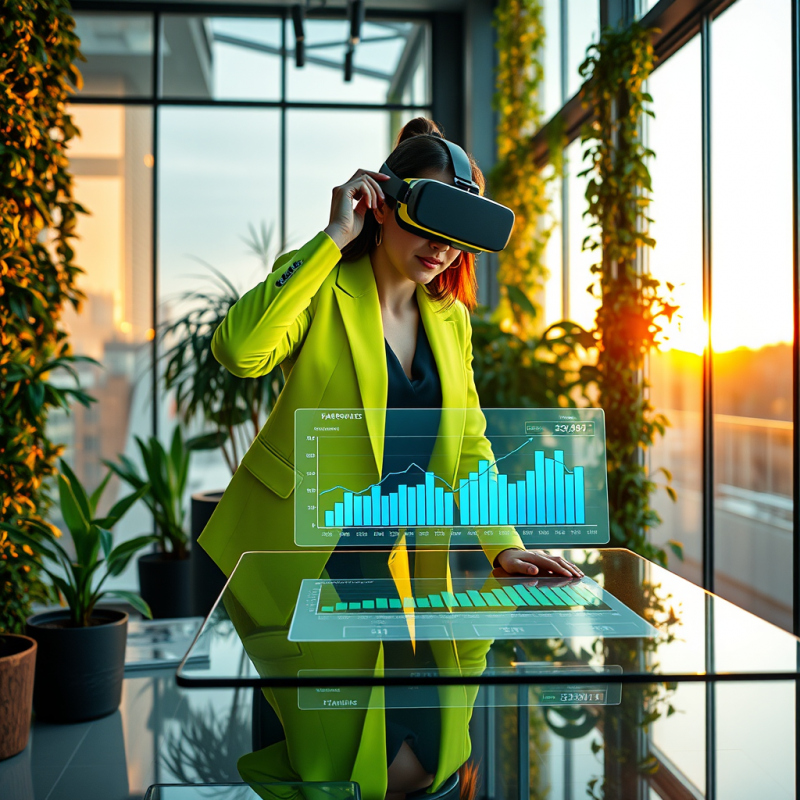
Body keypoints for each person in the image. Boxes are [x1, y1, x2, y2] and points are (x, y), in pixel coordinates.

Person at [198, 117, 584, 799]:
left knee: (425, 754)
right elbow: (239, 350)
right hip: (296, 561)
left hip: (397, 572)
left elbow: (469, 448)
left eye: (456, 233)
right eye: (428, 221)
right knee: (335, 770)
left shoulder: (450, 320)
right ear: (382, 202)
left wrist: (505, 546)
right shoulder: (327, 287)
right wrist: (330, 239)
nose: (441, 248)